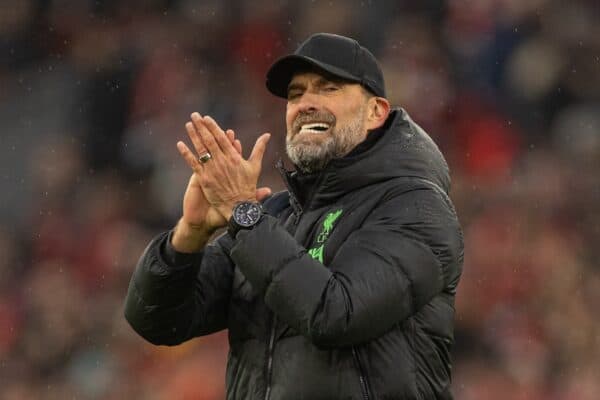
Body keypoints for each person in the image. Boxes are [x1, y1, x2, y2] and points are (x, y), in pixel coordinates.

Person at [124, 32, 464, 400]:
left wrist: (243, 213)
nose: (305, 103)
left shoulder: (415, 206)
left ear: (375, 112)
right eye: (296, 94)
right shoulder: (275, 216)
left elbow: (336, 314)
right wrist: (188, 235)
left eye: (328, 88)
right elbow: (156, 320)